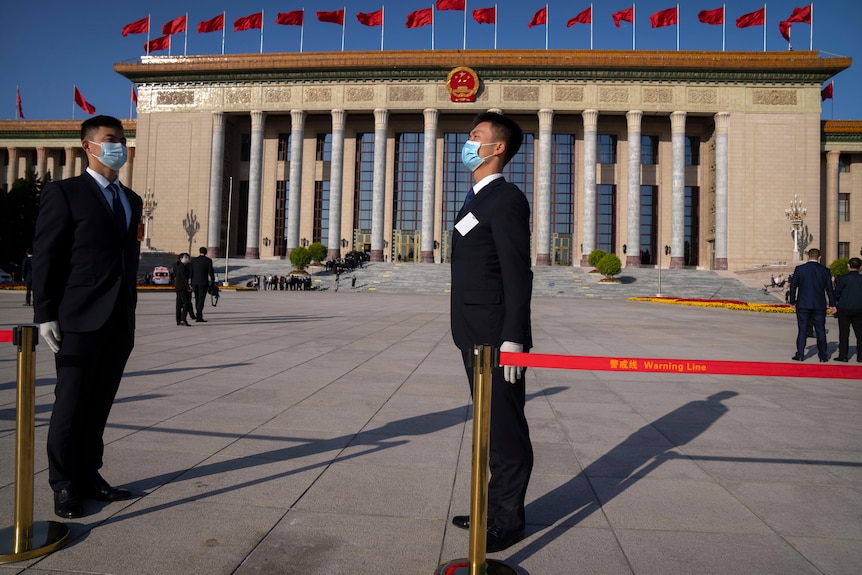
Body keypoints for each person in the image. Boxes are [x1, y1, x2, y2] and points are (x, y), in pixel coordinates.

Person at [32, 115, 141, 519]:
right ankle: (63, 484)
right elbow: (46, 255)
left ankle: (89, 474)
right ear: (88, 146)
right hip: (77, 319)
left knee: (99, 404)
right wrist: (46, 313)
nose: (119, 146)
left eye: (123, 140)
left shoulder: (131, 200)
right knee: (71, 403)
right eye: (111, 139)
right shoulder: (65, 193)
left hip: (117, 320)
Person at [449, 112, 533, 553]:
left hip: (496, 337)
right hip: (472, 333)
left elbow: (519, 274)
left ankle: (509, 521)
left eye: (475, 137)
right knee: (486, 427)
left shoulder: (505, 199)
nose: (467, 142)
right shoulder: (475, 199)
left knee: (504, 431)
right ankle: (490, 511)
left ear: (497, 148)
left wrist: (514, 337)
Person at [789, 248, 836, 362]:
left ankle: (800, 354)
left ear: (807, 257)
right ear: (819, 258)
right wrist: (832, 304)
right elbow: (829, 289)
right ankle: (823, 356)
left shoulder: (800, 269)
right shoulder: (825, 271)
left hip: (803, 304)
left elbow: (793, 286)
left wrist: (792, 301)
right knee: (820, 329)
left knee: (802, 330)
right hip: (819, 305)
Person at [834, 257, 862, 362]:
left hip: (845, 308)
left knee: (844, 333)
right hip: (859, 309)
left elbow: (837, 292)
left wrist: (836, 301)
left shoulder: (843, 278)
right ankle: (860, 356)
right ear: (860, 267)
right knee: (860, 333)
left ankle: (843, 355)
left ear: (848, 266)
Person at [189, 246, 215, 322]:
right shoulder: (208, 261)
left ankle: (198, 313)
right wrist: (213, 282)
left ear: (199, 251)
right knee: (201, 299)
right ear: (206, 252)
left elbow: (191, 272)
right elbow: (211, 272)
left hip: (194, 282)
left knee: (197, 298)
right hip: (203, 283)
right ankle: (199, 316)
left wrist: (190, 282)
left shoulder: (194, 260)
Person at [174, 253, 193, 326]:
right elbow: (184, 279)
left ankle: (178, 320)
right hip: (182, 289)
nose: (187, 259)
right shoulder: (182, 267)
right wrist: (188, 288)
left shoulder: (180, 266)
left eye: (187, 257)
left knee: (179, 305)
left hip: (179, 288)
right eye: (185, 257)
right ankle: (183, 319)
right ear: (181, 258)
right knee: (186, 303)